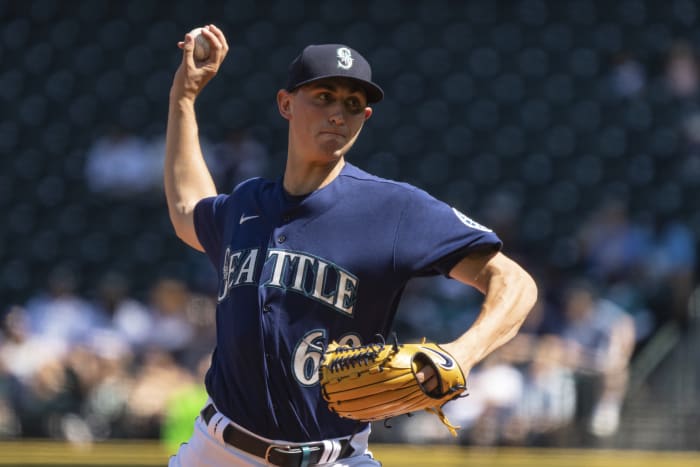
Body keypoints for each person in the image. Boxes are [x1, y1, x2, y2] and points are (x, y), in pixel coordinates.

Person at [164, 24, 538, 467]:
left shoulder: (393, 208)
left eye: (353, 104)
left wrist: (463, 352)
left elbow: (513, 281)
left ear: (366, 118)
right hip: (219, 451)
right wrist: (183, 100)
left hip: (336, 458)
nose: (338, 113)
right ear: (286, 104)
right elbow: (190, 209)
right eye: (323, 97)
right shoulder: (247, 202)